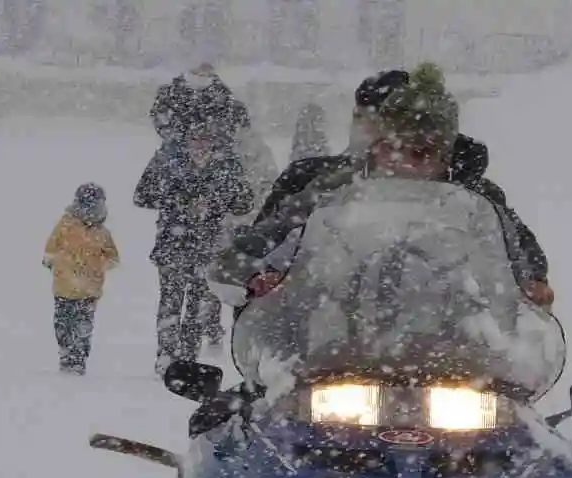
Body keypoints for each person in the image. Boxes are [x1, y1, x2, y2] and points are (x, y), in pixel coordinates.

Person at [214, 63, 549, 310]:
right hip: (332, 340)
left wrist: (531, 285)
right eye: (391, 146)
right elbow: (250, 249)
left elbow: (520, 259)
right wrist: (259, 277)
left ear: (446, 156)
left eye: (420, 153)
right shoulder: (331, 191)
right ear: (376, 143)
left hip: (456, 349)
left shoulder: (478, 201)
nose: (401, 161)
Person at [134, 113, 253, 374]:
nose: (199, 145)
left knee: (198, 304)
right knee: (171, 302)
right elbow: (141, 195)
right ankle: (166, 356)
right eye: (194, 139)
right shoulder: (167, 160)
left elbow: (245, 201)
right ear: (185, 140)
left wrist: (214, 204)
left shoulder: (227, 165)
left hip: (206, 245)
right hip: (172, 244)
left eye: (206, 139)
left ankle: (188, 357)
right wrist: (179, 203)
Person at [43, 183, 120, 375]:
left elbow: (113, 258)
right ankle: (66, 353)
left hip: (89, 291)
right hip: (64, 288)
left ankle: (78, 359)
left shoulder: (103, 233)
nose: (90, 211)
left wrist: (98, 266)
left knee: (83, 327)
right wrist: (55, 263)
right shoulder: (65, 225)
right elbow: (50, 250)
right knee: (63, 324)